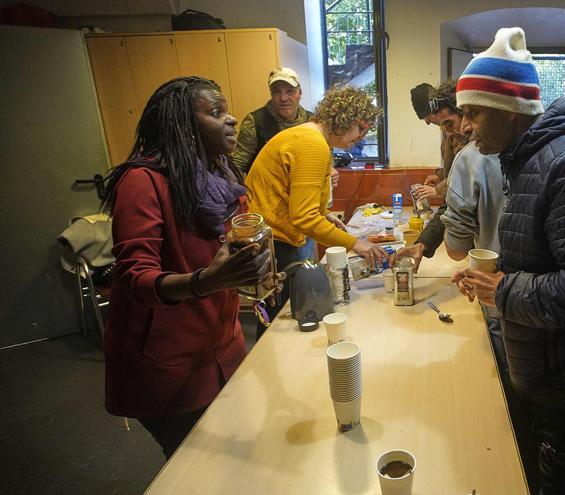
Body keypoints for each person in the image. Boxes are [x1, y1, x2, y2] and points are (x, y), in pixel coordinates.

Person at [451, 27, 565, 494]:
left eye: (472, 113)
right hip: (545, 371)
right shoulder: (529, 158)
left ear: (510, 108)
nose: (464, 127)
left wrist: (502, 290)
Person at [101, 76, 276, 460]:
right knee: (195, 463)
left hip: (222, 344)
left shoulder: (223, 177)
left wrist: (254, 271)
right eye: (216, 113)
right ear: (182, 125)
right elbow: (134, 279)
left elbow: (228, 250)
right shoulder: (142, 182)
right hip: (168, 362)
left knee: (238, 451)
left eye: (227, 111)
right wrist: (206, 281)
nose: (231, 121)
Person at [245, 85, 387, 335]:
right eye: (361, 128)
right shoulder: (312, 144)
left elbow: (295, 198)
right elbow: (302, 217)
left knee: (280, 318)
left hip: (275, 242)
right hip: (277, 247)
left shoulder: (307, 136)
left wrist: (325, 215)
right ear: (344, 119)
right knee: (281, 326)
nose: (362, 137)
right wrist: (355, 243)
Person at [405, 80, 471, 260]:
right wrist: (423, 244)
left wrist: (438, 189)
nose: (448, 132)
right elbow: (452, 172)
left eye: (449, 124)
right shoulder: (455, 134)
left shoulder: (480, 153)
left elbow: (459, 189)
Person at [232, 67, 313, 175]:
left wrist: (330, 170)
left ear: (300, 93)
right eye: (277, 92)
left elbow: (325, 155)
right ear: (271, 94)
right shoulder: (255, 122)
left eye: (290, 91)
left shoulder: (312, 121)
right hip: (266, 188)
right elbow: (238, 165)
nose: (283, 98)